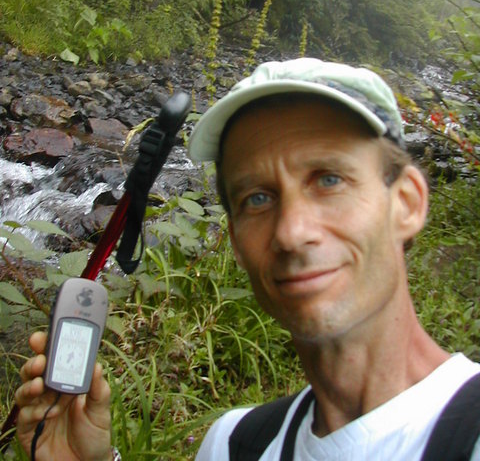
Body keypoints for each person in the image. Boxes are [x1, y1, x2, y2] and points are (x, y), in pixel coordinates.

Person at [13, 58, 480, 460]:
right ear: (235, 239)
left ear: (407, 203)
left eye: (329, 180)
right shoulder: (233, 444)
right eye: (257, 198)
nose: (292, 233)